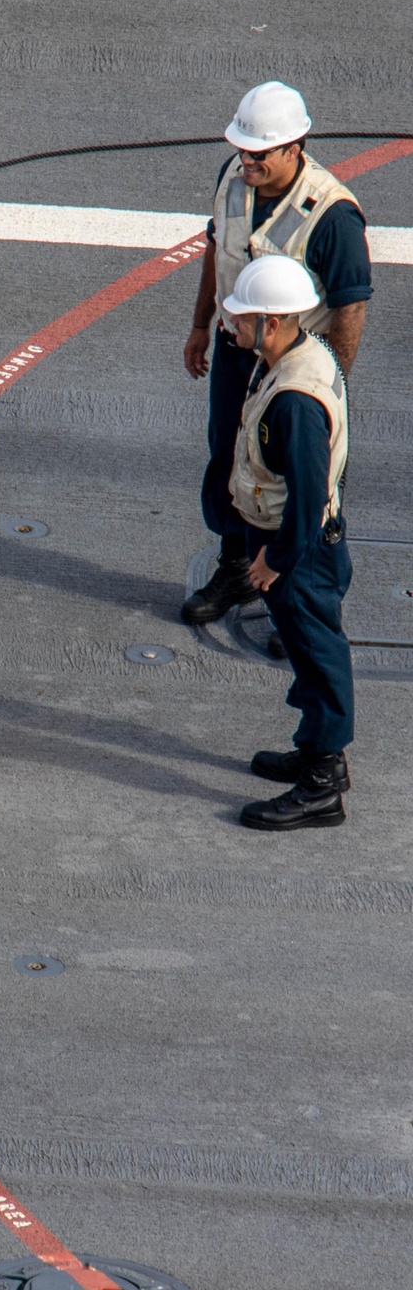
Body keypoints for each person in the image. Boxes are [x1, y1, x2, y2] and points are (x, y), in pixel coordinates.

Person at [181, 81, 371, 627]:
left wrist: (322, 387)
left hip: (292, 366)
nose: (246, 161)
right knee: (232, 458)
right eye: (241, 149)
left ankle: (301, 598)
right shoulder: (232, 180)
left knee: (302, 482)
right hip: (236, 349)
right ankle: (237, 566)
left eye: (259, 153)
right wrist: (200, 325)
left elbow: (350, 310)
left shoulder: (333, 216)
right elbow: (219, 251)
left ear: (296, 146)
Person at [222, 256, 352, 831]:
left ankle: (321, 785)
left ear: (270, 323)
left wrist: (276, 559)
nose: (232, 325)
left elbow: (307, 492)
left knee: (318, 657)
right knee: (306, 650)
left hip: (295, 548)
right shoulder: (299, 353)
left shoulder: (296, 399)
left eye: (241, 317)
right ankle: (319, 755)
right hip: (295, 543)